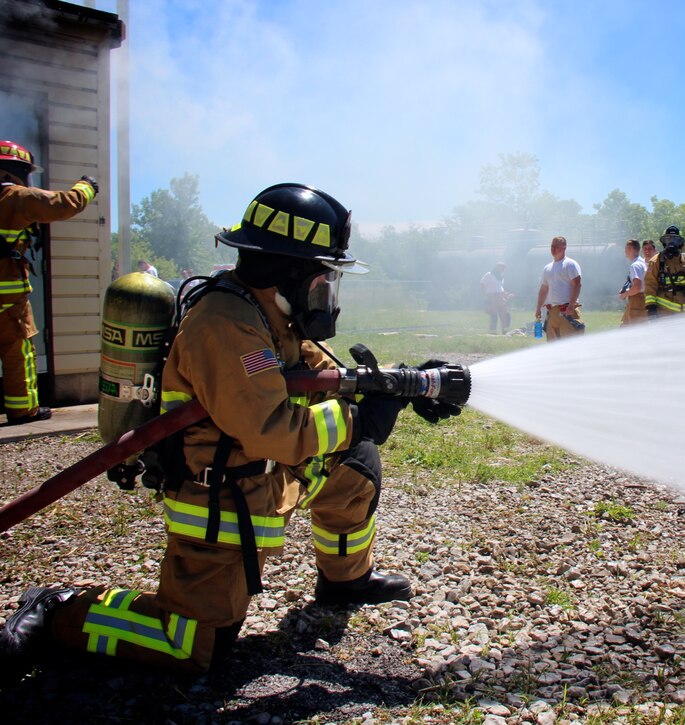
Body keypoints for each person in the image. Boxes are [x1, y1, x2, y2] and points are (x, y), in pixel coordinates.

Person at [0, 183, 461, 685]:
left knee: (356, 465)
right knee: (190, 647)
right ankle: (61, 608)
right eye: (324, 273)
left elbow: (320, 374)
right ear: (291, 268)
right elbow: (273, 431)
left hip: (264, 475)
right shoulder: (226, 324)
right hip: (220, 497)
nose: (328, 288)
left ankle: (343, 582)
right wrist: (360, 419)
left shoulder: (269, 310)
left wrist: (406, 383)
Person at [0, 140, 97, 425]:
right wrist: (86, 187)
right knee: (18, 352)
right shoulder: (13, 197)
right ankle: (23, 411)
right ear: (14, 172)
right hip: (7, 299)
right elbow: (61, 204)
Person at [643, 225, 685, 317]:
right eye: (668, 240)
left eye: (675, 240)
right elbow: (650, 286)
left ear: (680, 243)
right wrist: (651, 308)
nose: (672, 243)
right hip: (664, 313)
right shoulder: (656, 261)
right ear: (664, 242)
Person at [534, 235, 584, 341]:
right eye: (552, 246)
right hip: (552, 312)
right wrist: (538, 308)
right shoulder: (547, 268)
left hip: (568, 311)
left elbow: (577, 284)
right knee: (553, 346)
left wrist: (571, 305)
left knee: (570, 345)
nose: (553, 248)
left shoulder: (570, 264)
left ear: (564, 248)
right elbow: (543, 290)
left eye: (556, 246)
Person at [618, 238, 648, 325]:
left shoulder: (635, 266)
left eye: (626, 249)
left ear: (630, 249)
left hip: (637, 301)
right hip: (643, 300)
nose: (625, 252)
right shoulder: (643, 262)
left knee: (633, 331)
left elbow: (637, 287)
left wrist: (624, 294)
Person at [479, 262, 512, 334]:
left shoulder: (501, 276)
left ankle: (505, 331)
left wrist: (505, 294)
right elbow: (482, 284)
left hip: (500, 297)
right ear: (497, 267)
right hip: (492, 296)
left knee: (506, 315)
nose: (503, 269)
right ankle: (492, 332)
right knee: (494, 315)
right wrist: (486, 296)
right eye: (502, 267)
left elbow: (500, 288)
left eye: (504, 267)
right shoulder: (489, 274)